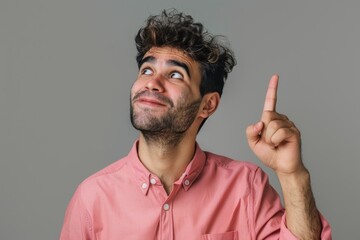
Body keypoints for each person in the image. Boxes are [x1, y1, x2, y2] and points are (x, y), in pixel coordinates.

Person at [60, 9, 332, 240]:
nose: (152, 82)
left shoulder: (245, 188)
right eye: (146, 70)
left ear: (208, 105)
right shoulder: (91, 199)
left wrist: (292, 175)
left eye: (175, 74)